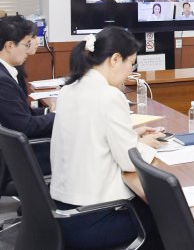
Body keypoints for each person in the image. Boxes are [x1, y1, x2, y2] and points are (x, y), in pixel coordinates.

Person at [50, 27, 164, 249]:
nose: (131, 70)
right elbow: (130, 162)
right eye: (131, 63)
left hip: (64, 210)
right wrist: (144, 146)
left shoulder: (69, 89)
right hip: (95, 217)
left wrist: (133, 138)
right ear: (114, 59)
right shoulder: (109, 95)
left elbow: (90, 137)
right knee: (172, 220)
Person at [0, 15, 55, 173]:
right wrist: (59, 116)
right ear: (10, 45)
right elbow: (26, 126)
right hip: (23, 156)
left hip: (14, 147)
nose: (28, 49)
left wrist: (46, 111)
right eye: (26, 44)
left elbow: (18, 113)